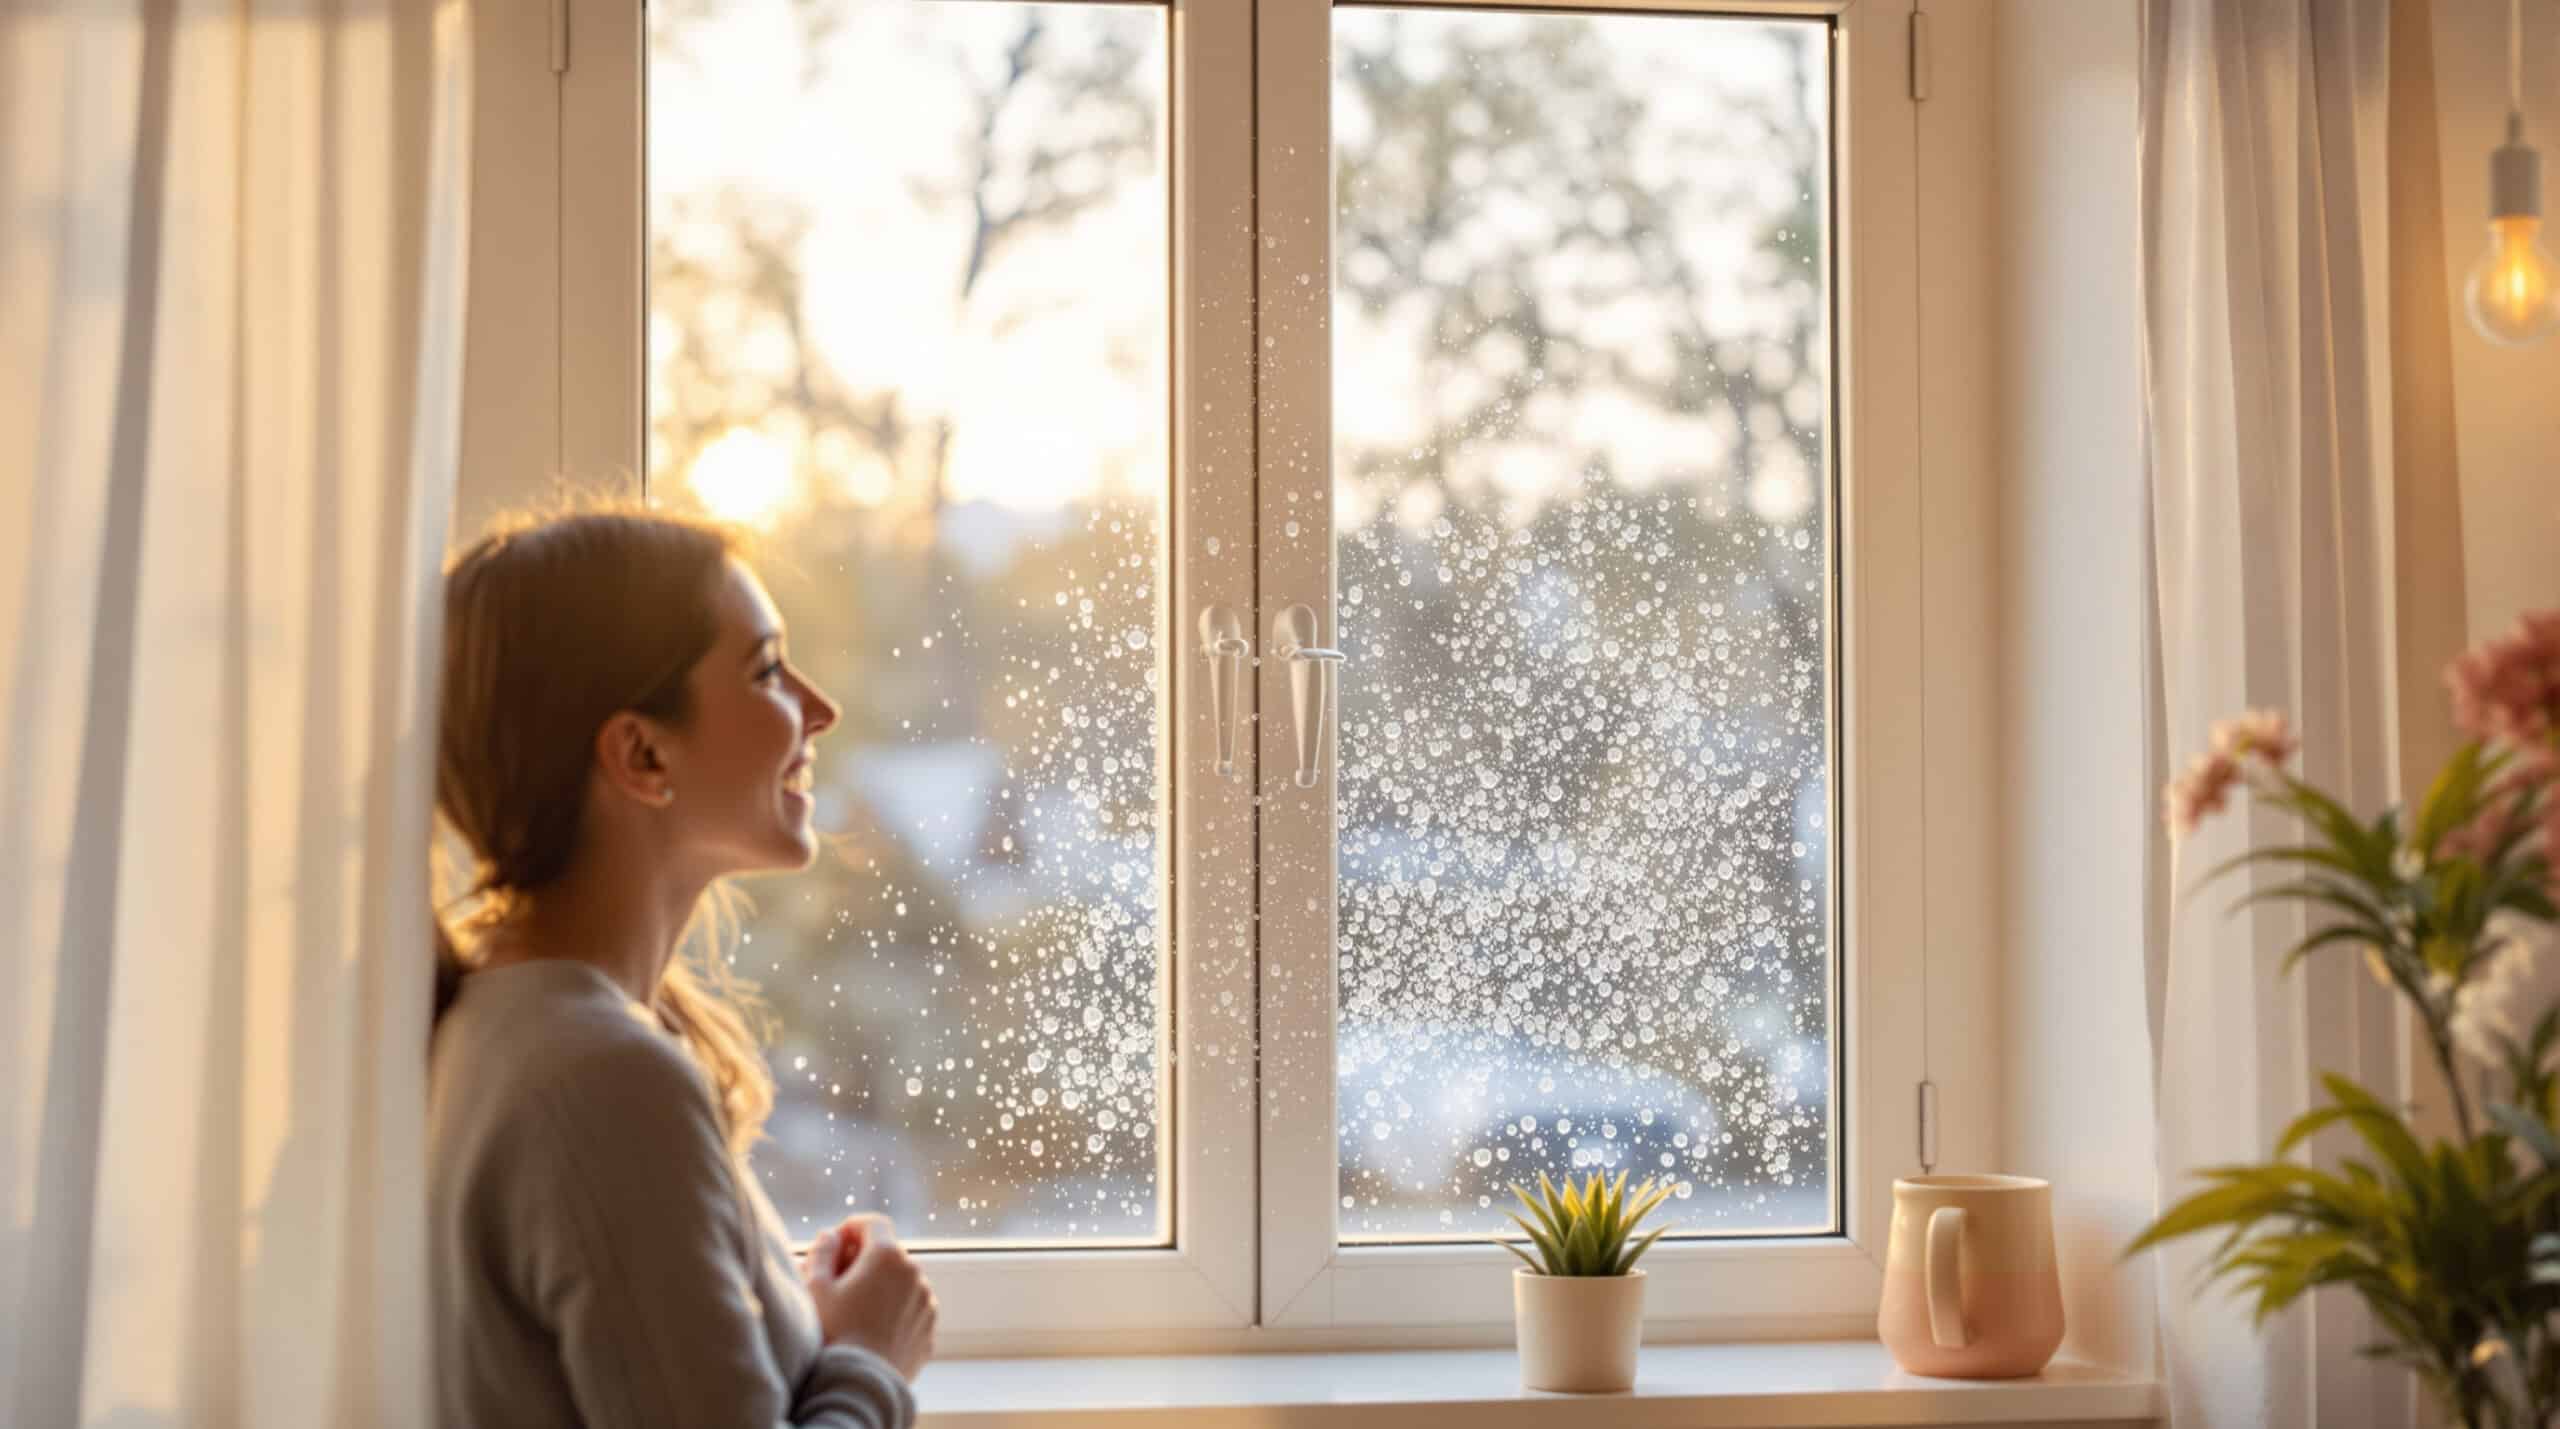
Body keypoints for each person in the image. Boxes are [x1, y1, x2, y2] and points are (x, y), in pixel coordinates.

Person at [427, 505, 935, 1428]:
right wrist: (868, 1359)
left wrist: (796, 1330)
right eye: (769, 670)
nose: (821, 711)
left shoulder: (528, 1025)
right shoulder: (600, 1077)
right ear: (642, 753)